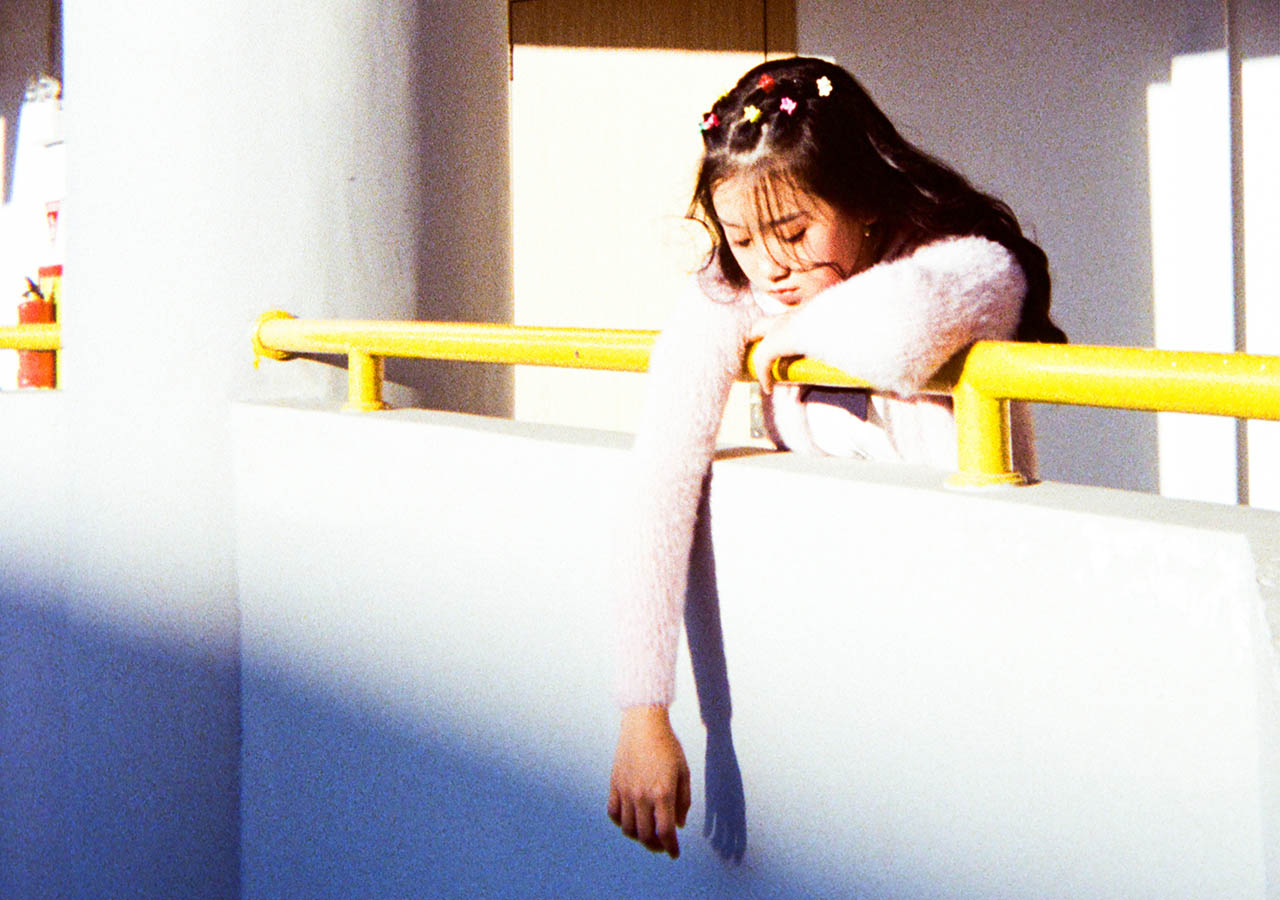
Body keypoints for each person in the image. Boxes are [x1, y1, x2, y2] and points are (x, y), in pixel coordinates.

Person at [605, 56, 1066, 860]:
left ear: (865, 201)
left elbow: (900, 335)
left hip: (975, 642)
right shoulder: (735, 291)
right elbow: (661, 475)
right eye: (741, 238)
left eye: (794, 233)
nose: (770, 268)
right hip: (841, 648)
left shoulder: (961, 262)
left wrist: (782, 336)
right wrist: (644, 712)